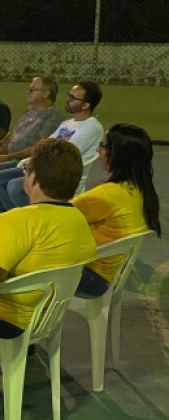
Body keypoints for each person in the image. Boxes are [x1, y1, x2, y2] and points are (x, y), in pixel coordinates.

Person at [0, 139, 97, 348]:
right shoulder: (79, 220)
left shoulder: (13, 222)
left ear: (33, 179)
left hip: (7, 317)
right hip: (45, 314)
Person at [0, 81, 104, 213]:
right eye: (68, 95)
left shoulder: (91, 127)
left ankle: (34, 218)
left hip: (64, 176)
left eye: (72, 98)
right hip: (47, 169)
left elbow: (64, 155)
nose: (67, 100)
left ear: (86, 105)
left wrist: (37, 158)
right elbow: (44, 145)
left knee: (14, 187)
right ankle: (18, 216)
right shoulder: (67, 123)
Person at [72, 124, 161, 298]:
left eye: (103, 146)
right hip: (109, 275)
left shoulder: (105, 196)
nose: (98, 150)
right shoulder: (141, 191)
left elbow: (57, 216)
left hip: (89, 277)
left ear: (119, 154)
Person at [0, 76, 64, 215]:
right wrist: (0, 150)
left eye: (32, 89)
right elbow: (13, 135)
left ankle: (2, 212)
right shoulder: (29, 111)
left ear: (46, 93)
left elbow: (40, 147)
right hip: (10, 156)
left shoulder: (52, 116)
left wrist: (10, 157)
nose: (28, 92)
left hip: (25, 161)